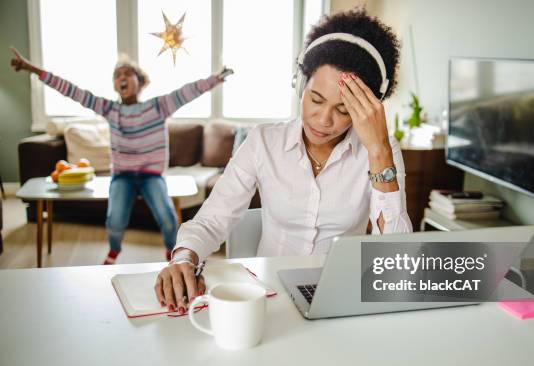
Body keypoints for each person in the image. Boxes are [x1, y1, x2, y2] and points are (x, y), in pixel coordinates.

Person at [156, 9, 413, 314]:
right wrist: (184, 258)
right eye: (316, 99)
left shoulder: (380, 150)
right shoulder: (264, 141)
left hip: (340, 298)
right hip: (268, 298)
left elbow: (398, 257)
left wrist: (379, 151)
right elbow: (213, 219)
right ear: (300, 84)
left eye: (343, 110)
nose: (323, 119)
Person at [10, 49, 228, 264]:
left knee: (169, 219)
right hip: (122, 176)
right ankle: (114, 250)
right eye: (117, 76)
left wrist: (215, 79)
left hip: (151, 176)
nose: (121, 78)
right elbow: (72, 91)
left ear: (140, 82)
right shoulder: (109, 109)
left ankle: (172, 255)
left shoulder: (158, 107)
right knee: (114, 222)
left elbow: (187, 92)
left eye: (127, 74)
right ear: (115, 85)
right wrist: (31, 68)